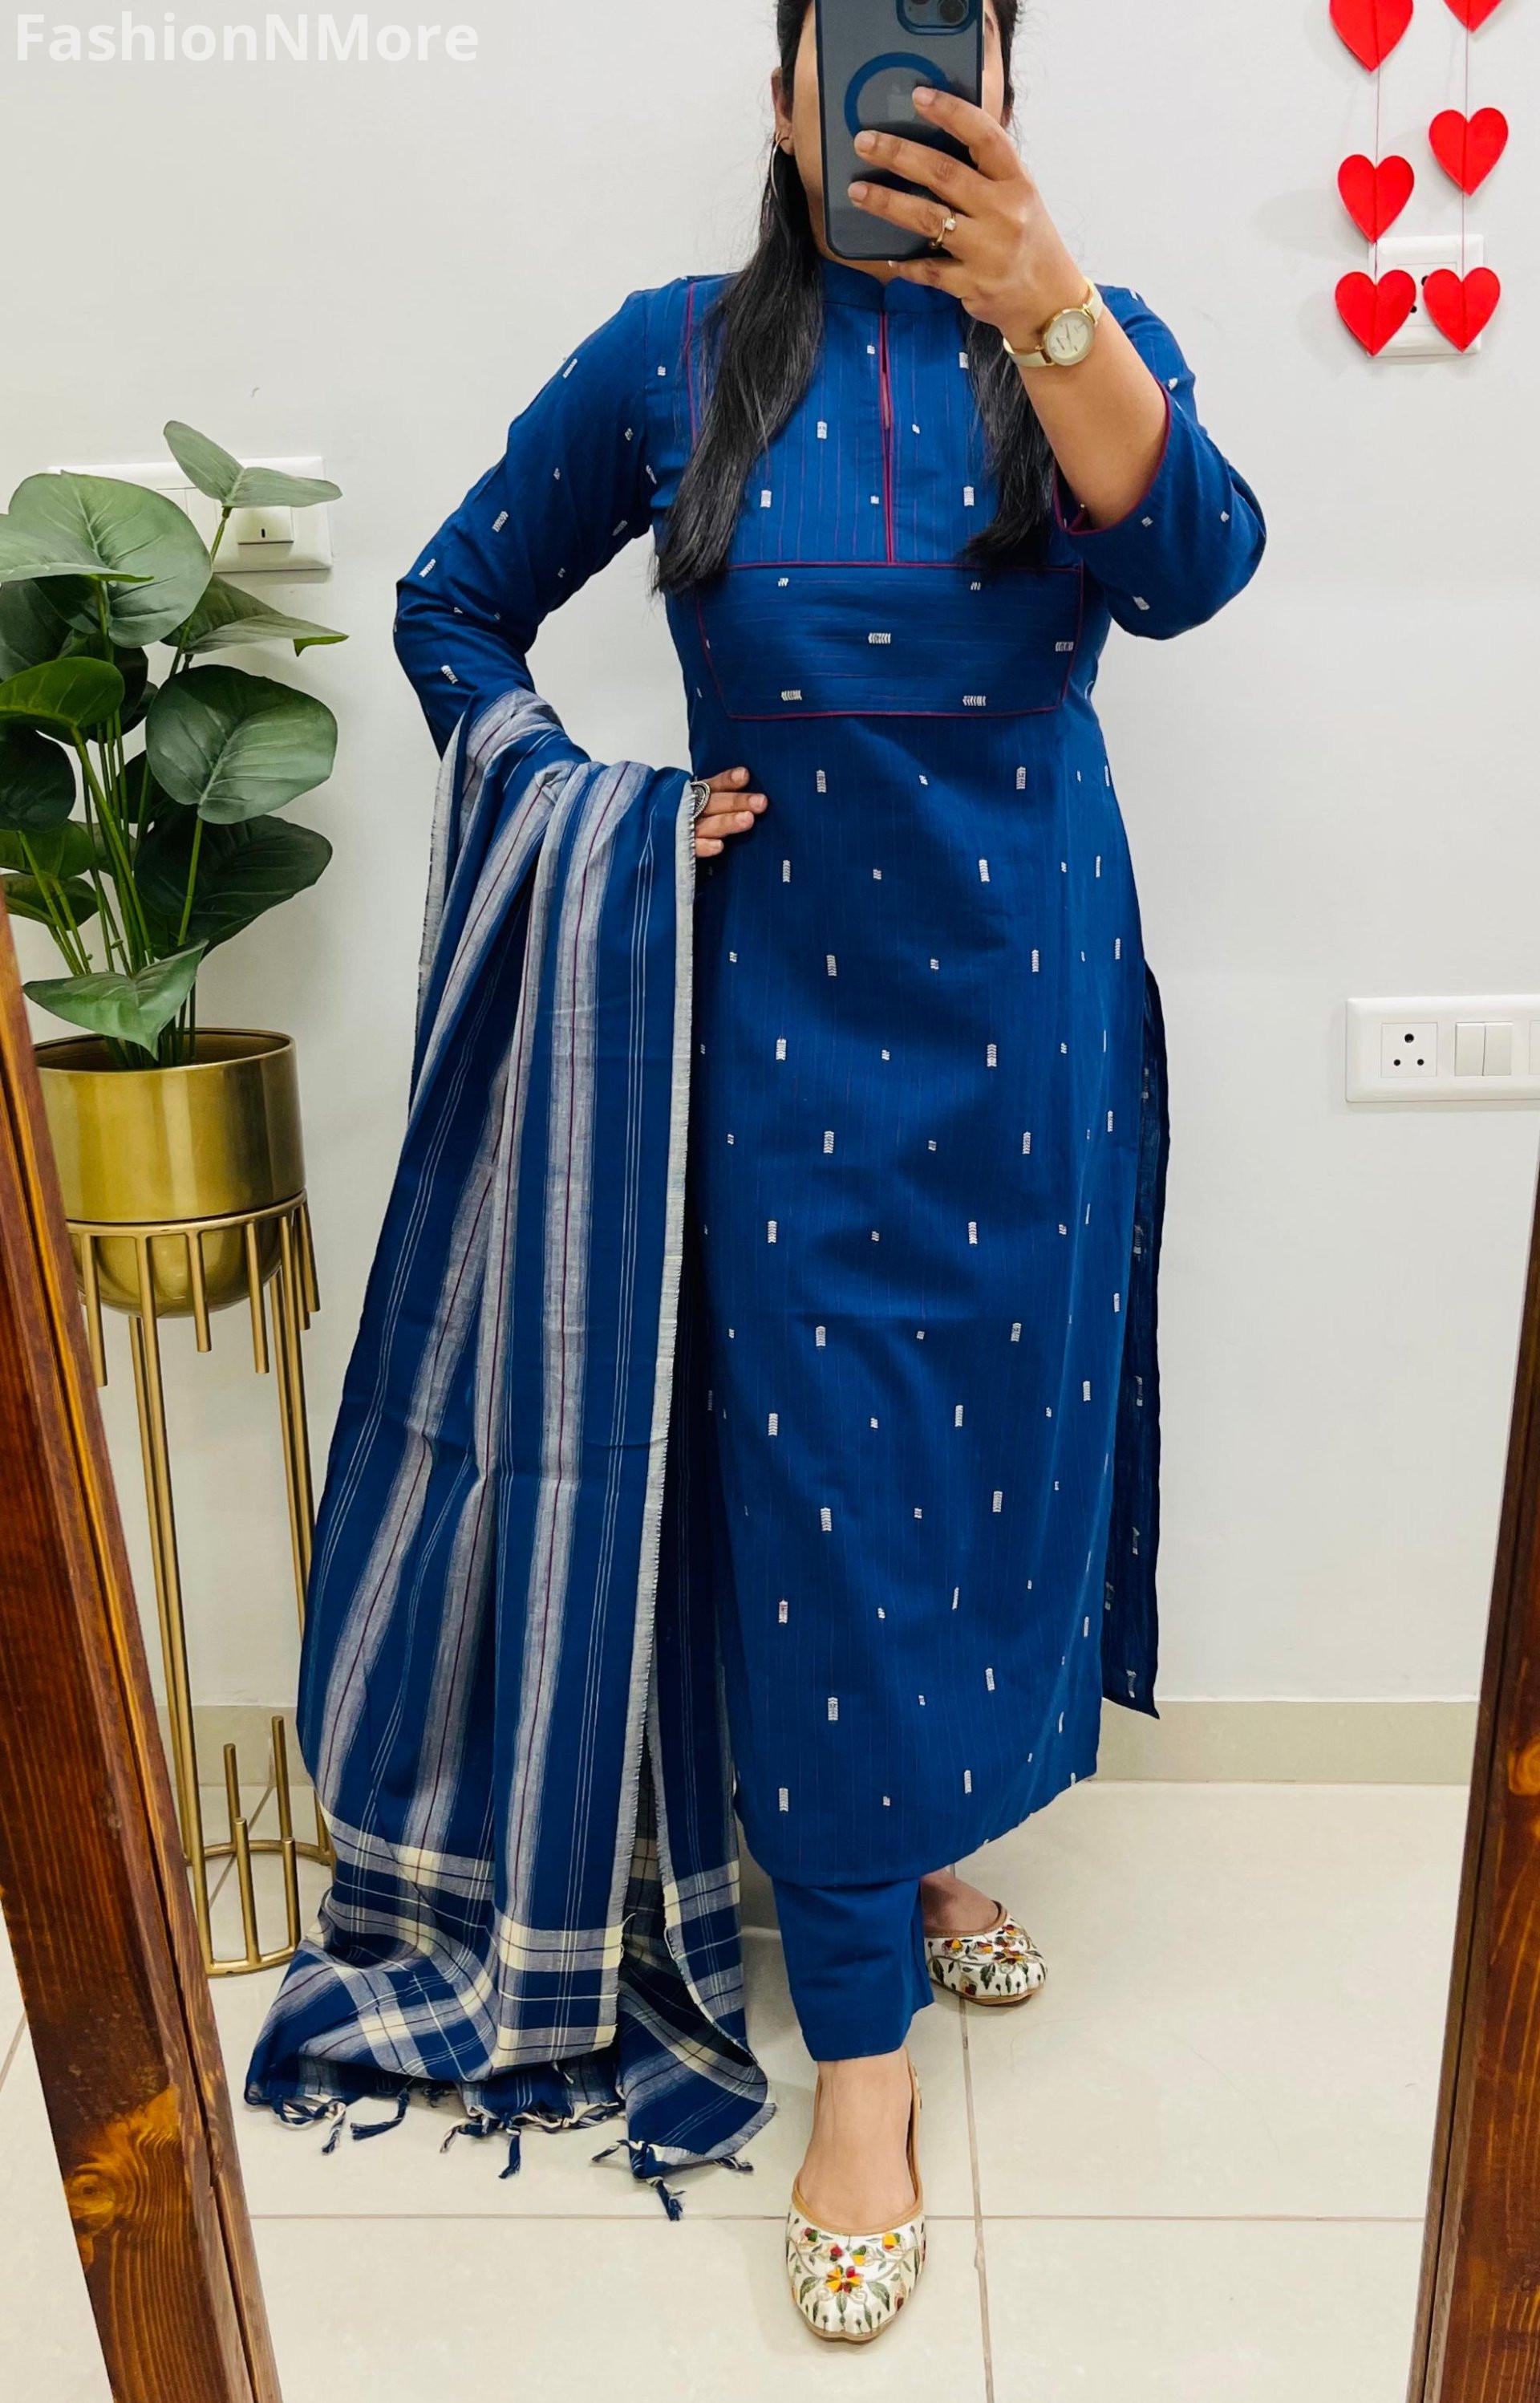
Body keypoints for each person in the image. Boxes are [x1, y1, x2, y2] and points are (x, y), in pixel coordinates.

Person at [256, 0, 1263, 2348]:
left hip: (1031, 1030)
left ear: (1002, 97)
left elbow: (1196, 566)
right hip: (781, 1038)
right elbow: (451, 604)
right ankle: (863, 2088)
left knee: (998, 1474)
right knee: (828, 1502)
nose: (900, 100)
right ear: (784, 94)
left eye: (954, 54)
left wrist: (1054, 301)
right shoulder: (675, 357)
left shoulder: (1085, 338)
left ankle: (916, 1865)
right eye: (859, 49)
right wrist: (602, 813)